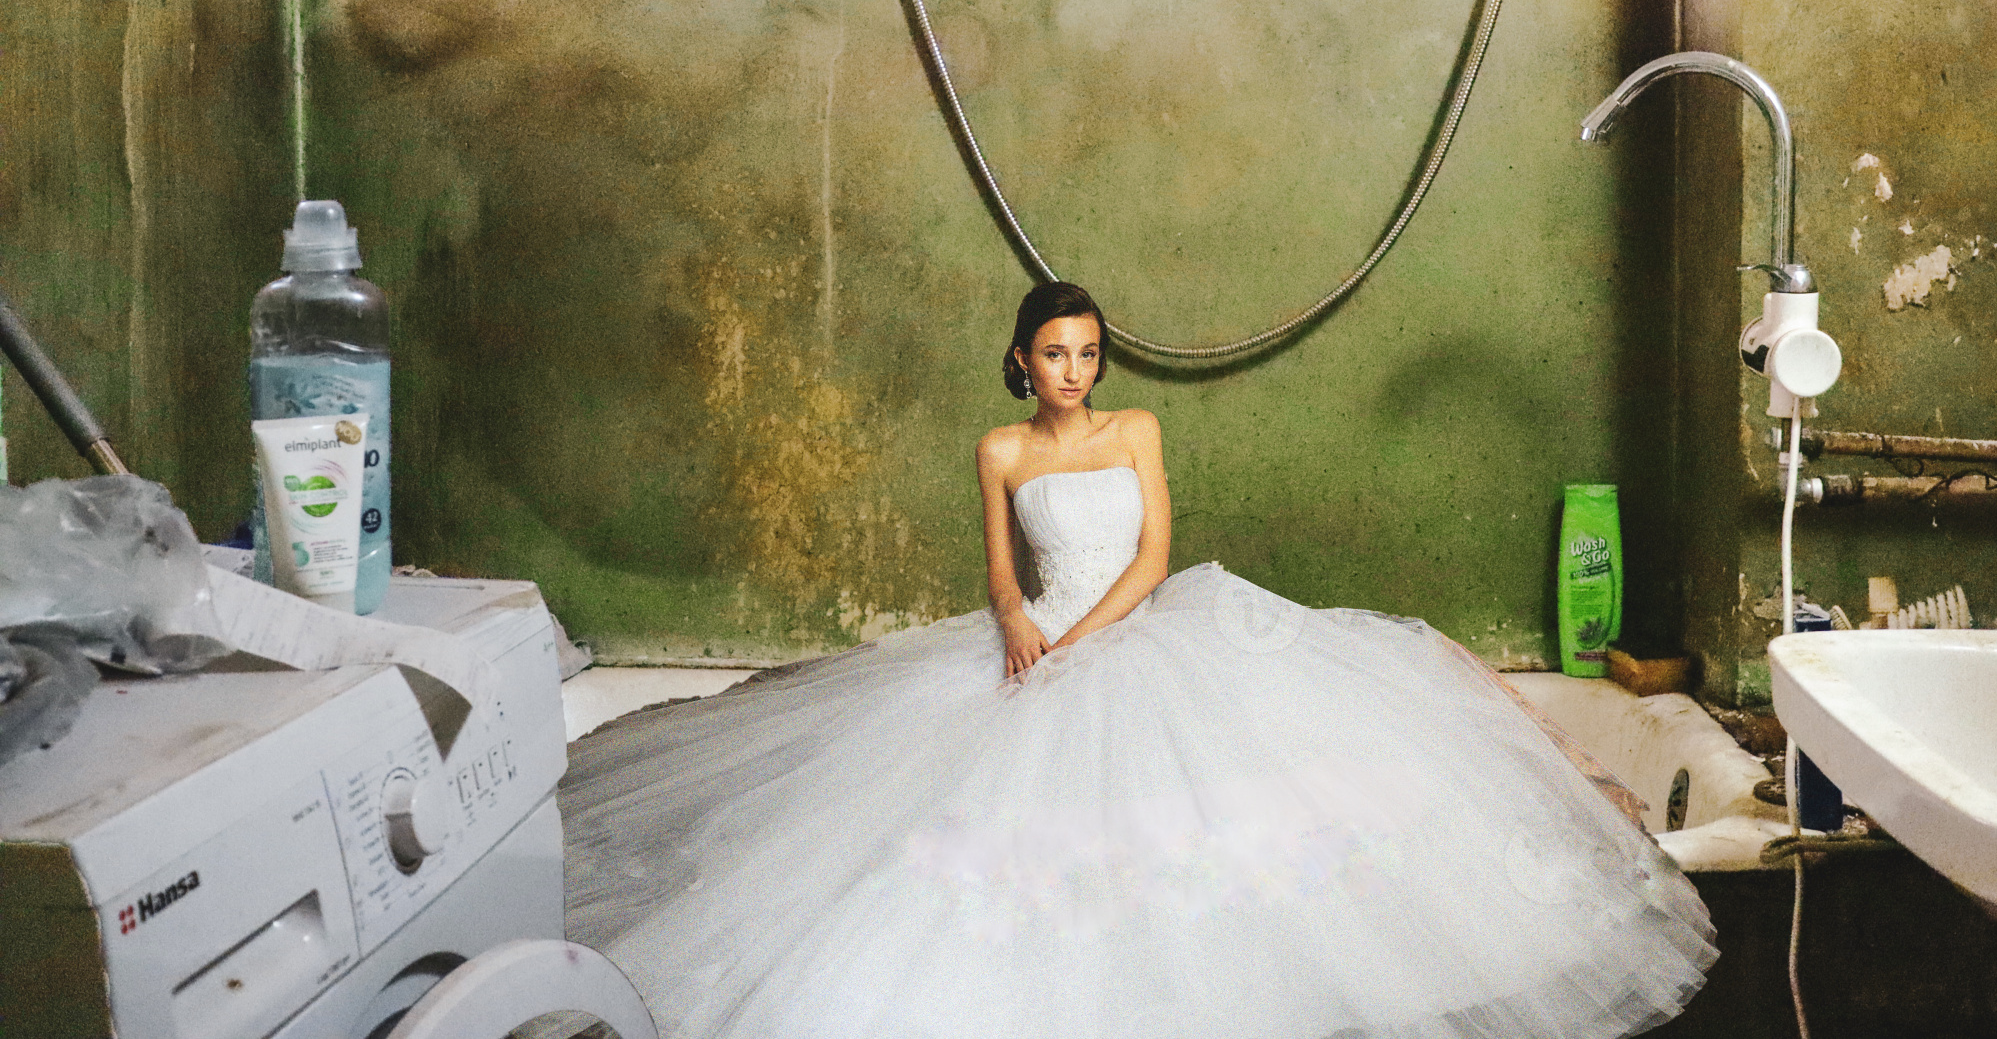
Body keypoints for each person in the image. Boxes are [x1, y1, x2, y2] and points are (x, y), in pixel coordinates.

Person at [562, 281, 1716, 1038]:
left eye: (1088, 353)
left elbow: (1154, 554)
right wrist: (1018, 622)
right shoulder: (1000, 448)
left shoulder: (1136, 431)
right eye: (1054, 353)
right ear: (1021, 359)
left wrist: (1078, 638)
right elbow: (1001, 568)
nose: (1075, 370)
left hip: (1143, 630)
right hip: (1038, 637)